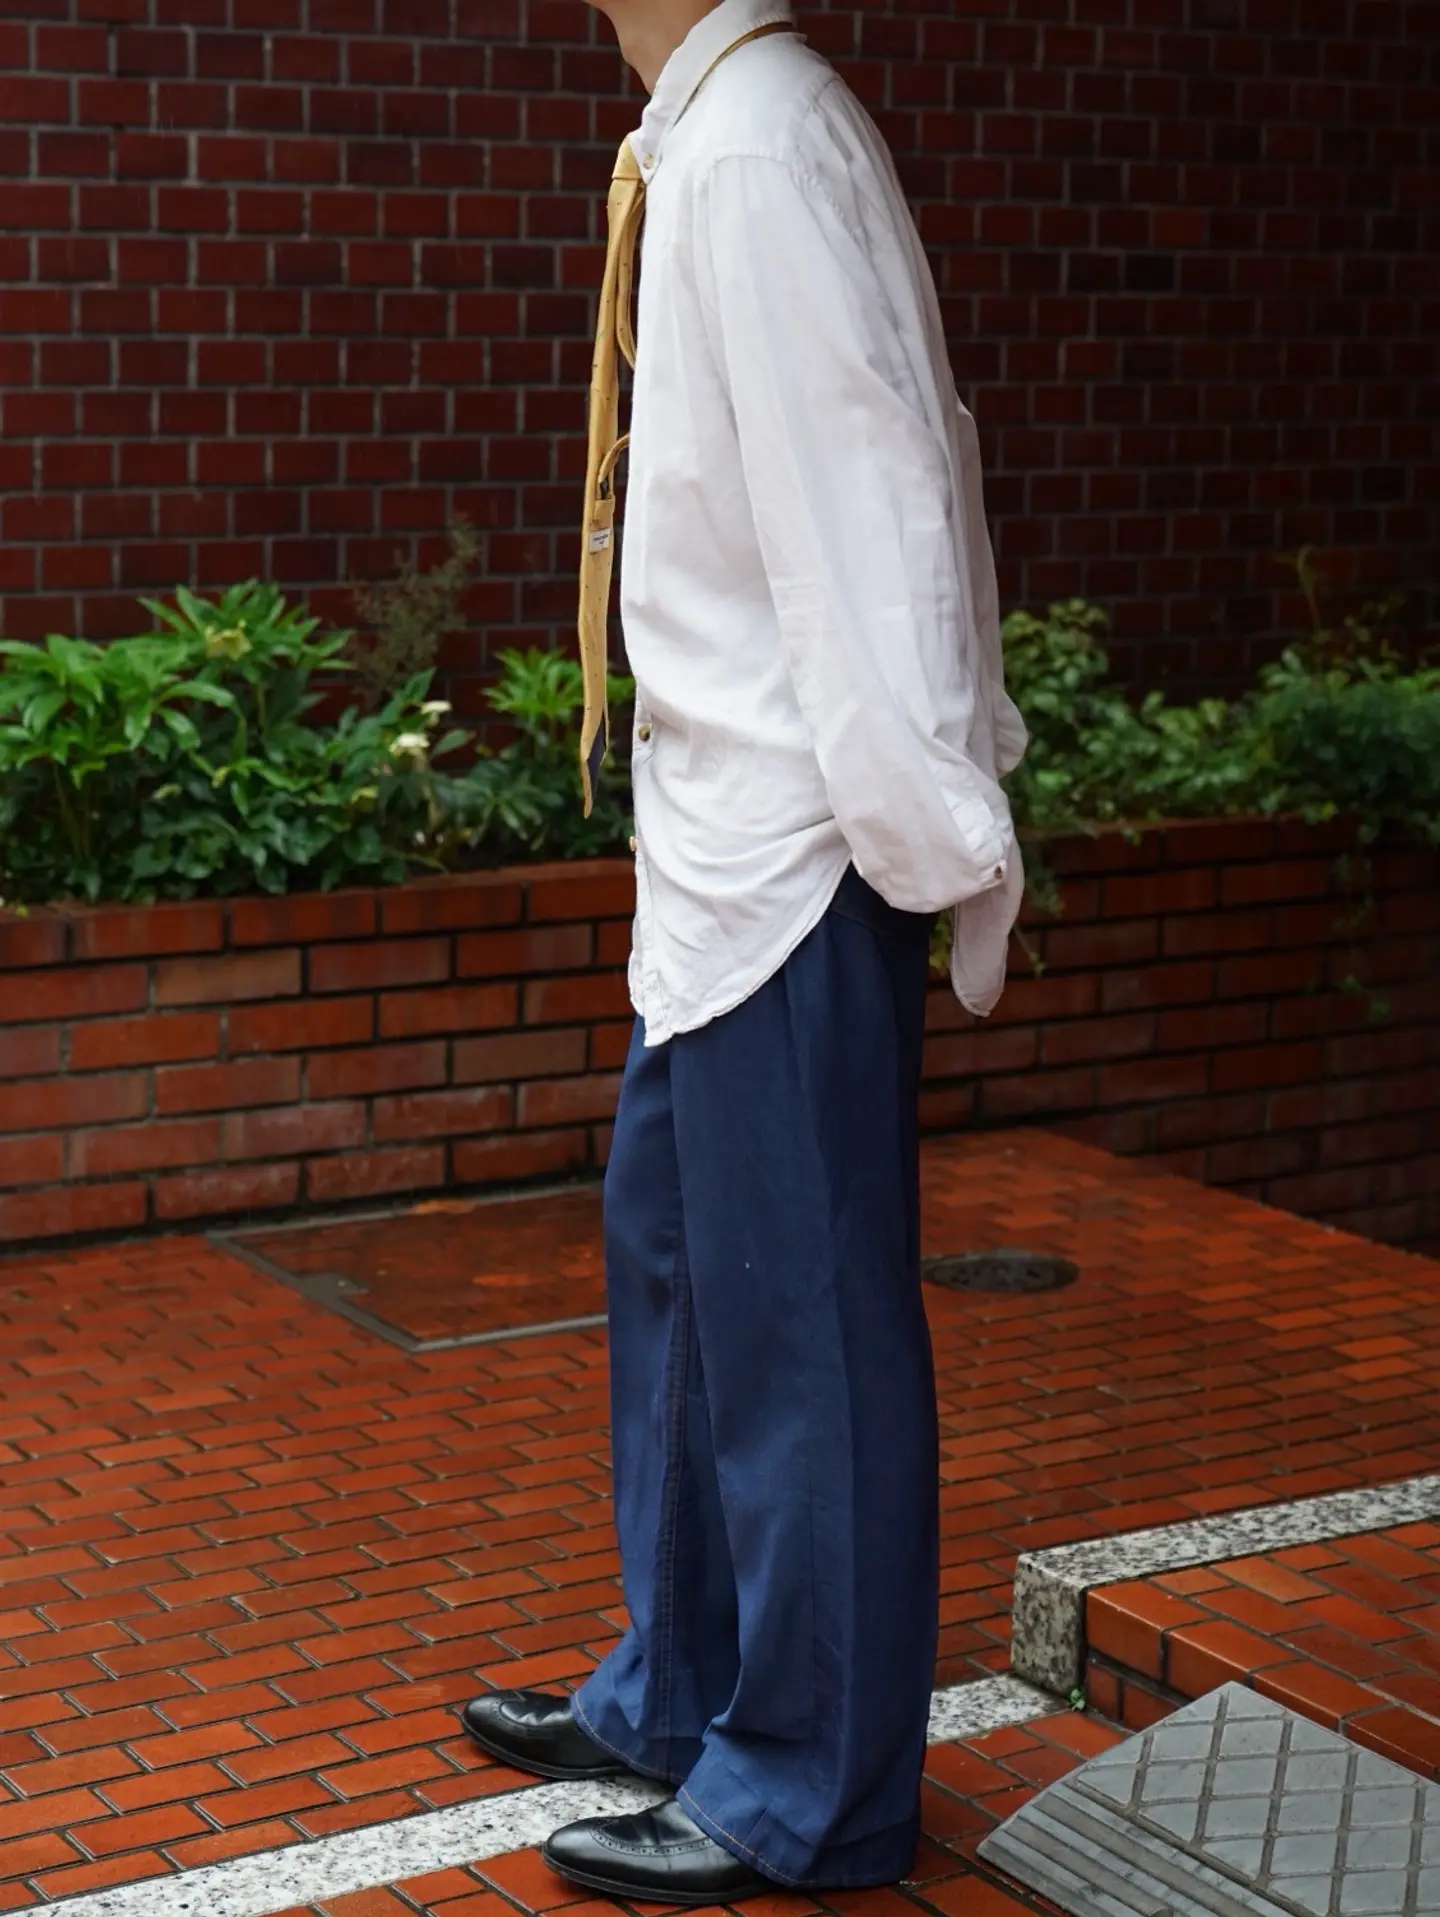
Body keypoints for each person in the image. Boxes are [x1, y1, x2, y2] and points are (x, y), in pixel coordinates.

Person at [458, 0, 1027, 1900]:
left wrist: (930, 828)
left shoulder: (763, 145)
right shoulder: (712, 136)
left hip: (795, 843)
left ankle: (811, 1784)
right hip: (718, 844)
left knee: (803, 1327)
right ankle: (684, 1686)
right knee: (688, 1276)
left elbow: (877, 506)